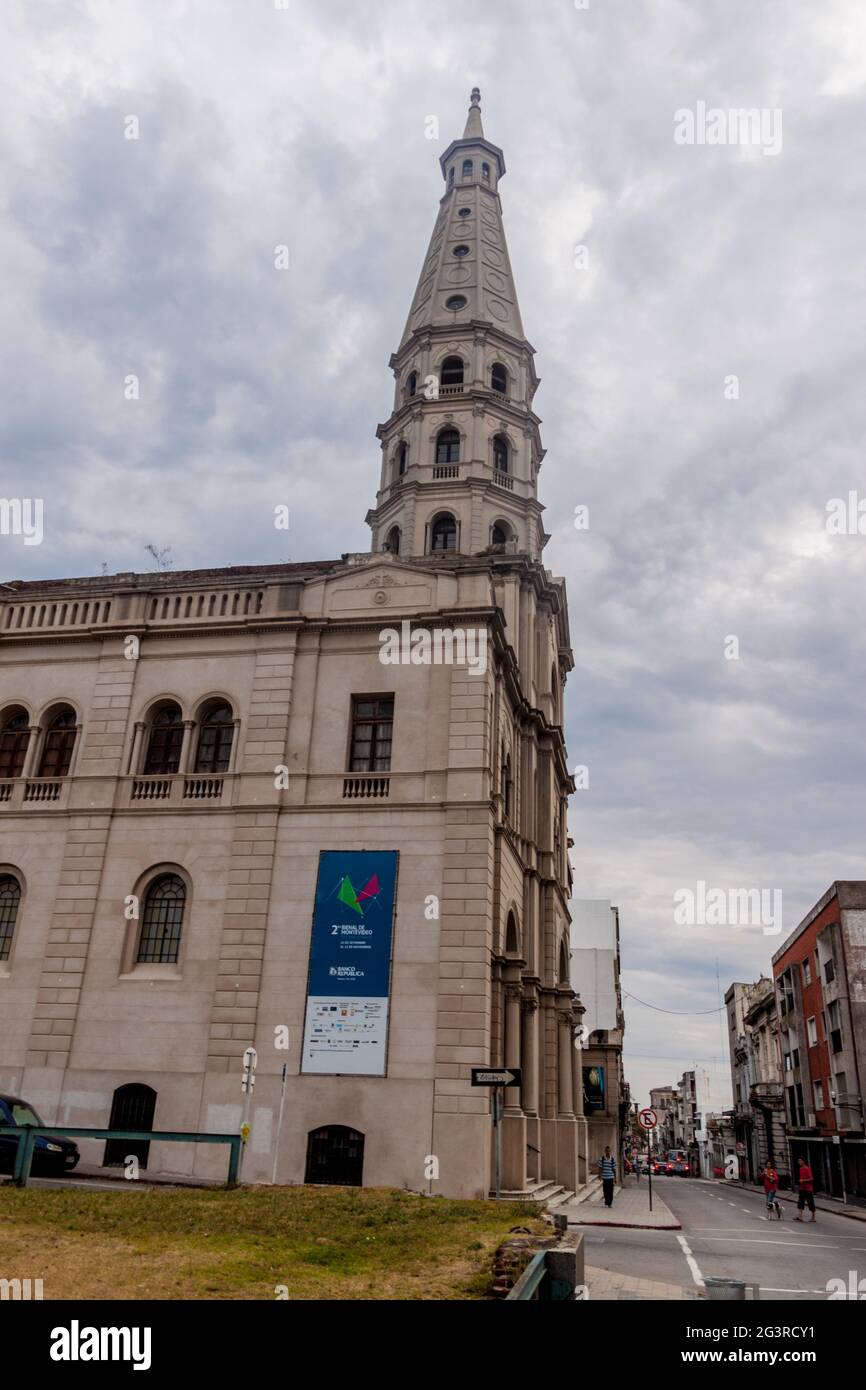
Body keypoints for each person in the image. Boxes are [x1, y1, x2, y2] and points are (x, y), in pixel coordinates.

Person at [794, 1157, 816, 1222]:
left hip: (808, 1189)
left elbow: (811, 1178)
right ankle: (800, 1216)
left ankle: (813, 1217)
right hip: (802, 1188)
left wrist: (803, 1180)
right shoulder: (800, 1169)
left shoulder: (807, 1168)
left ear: (803, 1161)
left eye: (800, 1161)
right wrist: (800, 1182)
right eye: (798, 1161)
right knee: (800, 1202)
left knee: (810, 1203)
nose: (799, 1162)